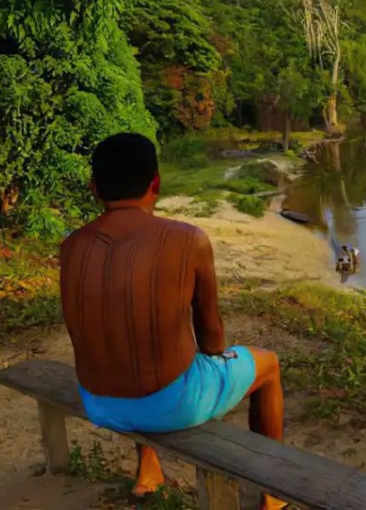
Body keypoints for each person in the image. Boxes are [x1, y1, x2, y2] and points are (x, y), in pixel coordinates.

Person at [59, 133, 286, 510]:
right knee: (269, 367)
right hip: (172, 404)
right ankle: (274, 496)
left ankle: (148, 468)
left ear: (94, 187)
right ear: (156, 183)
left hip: (98, 402)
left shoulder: (72, 246)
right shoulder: (187, 239)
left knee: (131, 343)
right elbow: (213, 341)